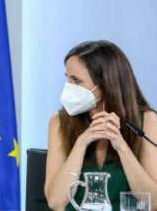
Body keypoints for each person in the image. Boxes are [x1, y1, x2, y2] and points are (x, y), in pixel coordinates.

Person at [44, 40, 157, 210]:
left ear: (105, 84)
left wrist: (121, 147)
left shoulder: (147, 120)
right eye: (67, 78)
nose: (68, 87)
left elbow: (153, 202)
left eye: (76, 81)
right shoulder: (59, 121)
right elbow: (56, 202)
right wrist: (81, 144)